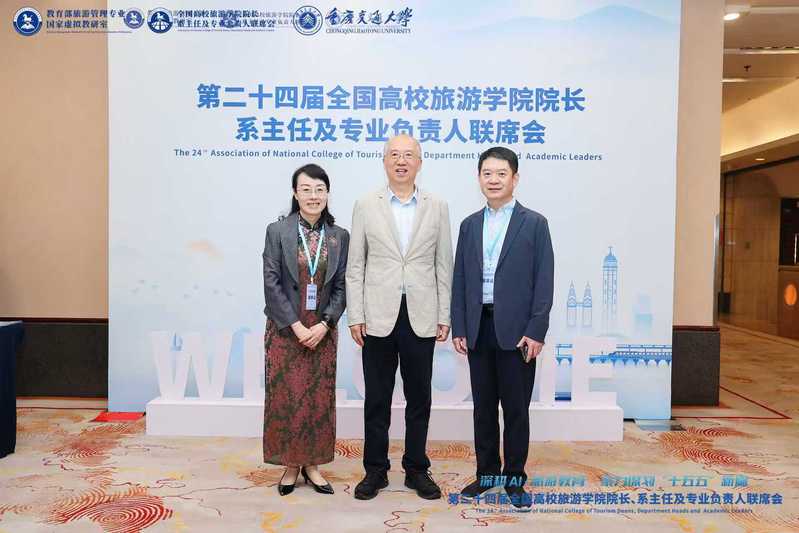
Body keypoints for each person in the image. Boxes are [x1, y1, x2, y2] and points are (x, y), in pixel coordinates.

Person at [346, 134, 453, 500]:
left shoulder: (437, 206)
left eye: (409, 155)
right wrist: (355, 315)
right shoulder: (366, 204)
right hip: (377, 314)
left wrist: (444, 314)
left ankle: (416, 469)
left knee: (419, 397)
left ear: (420, 162)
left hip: (421, 314)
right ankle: (375, 470)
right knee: (377, 398)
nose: (401, 161)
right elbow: (356, 265)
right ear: (384, 161)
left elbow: (444, 264)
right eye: (394, 154)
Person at [451, 146, 554, 509]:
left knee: (515, 410)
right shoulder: (469, 225)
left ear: (515, 178)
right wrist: (460, 325)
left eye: (501, 174)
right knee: (483, 409)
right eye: (487, 174)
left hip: (518, 332)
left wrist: (537, 330)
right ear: (479, 178)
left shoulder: (535, 223)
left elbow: (544, 280)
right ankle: (486, 475)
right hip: (479, 328)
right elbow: (460, 279)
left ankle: (514, 480)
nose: (493, 180)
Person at [262, 163, 349, 496]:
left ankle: (313, 465)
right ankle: (290, 465)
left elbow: (342, 286)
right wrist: (297, 326)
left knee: (317, 400)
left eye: (319, 189)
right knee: (286, 399)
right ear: (295, 194)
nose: (314, 196)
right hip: (286, 331)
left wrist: (325, 324)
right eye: (306, 189)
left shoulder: (339, 236)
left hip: (322, 333)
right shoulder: (277, 231)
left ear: (327, 194)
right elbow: (271, 282)